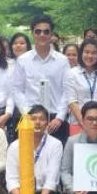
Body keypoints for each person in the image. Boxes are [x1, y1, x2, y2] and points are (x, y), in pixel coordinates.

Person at [0, 105, 64, 194]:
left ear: (48, 123)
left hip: (45, 193)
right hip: (21, 193)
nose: (38, 122)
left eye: (42, 119)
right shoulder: (15, 146)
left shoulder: (55, 144)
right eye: (33, 119)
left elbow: (52, 178)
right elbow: (11, 178)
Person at [11, 15, 70, 144]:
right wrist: (27, 114)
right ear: (32, 33)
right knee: (28, 160)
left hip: (55, 121)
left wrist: (60, 118)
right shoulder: (23, 60)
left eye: (46, 31)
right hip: (30, 118)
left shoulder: (62, 60)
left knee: (55, 160)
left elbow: (67, 90)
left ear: (51, 34)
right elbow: (16, 89)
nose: (42, 35)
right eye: (38, 31)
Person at [66, 40, 97, 134]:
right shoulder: (72, 73)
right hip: (78, 123)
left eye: (94, 53)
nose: (90, 56)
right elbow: (72, 101)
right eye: (86, 52)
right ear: (81, 53)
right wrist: (84, 123)